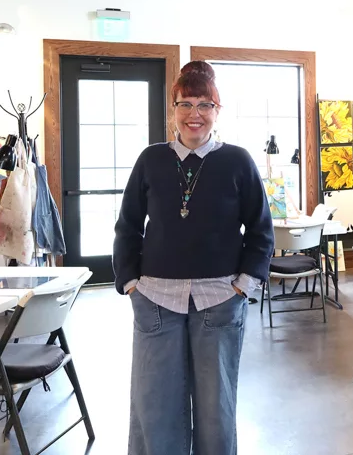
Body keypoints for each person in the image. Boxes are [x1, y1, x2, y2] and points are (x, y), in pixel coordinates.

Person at [113, 60, 275, 455]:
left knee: (215, 406)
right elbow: (128, 225)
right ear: (173, 111)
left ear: (217, 112)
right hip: (154, 299)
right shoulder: (151, 159)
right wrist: (130, 282)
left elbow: (260, 230)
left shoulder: (237, 161)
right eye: (185, 104)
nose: (194, 114)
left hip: (219, 299)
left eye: (205, 104)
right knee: (155, 404)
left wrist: (243, 285)